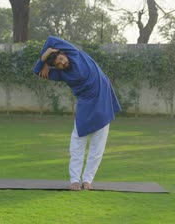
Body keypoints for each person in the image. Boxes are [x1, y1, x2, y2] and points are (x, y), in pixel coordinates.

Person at [33, 36, 122, 191]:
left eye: (61, 58)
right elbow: (37, 71)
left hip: (102, 102)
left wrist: (48, 53)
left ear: (63, 53)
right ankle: (75, 180)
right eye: (58, 64)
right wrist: (44, 59)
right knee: (77, 143)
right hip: (85, 104)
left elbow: (51, 39)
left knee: (97, 146)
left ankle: (88, 180)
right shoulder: (61, 74)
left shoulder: (75, 53)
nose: (62, 63)